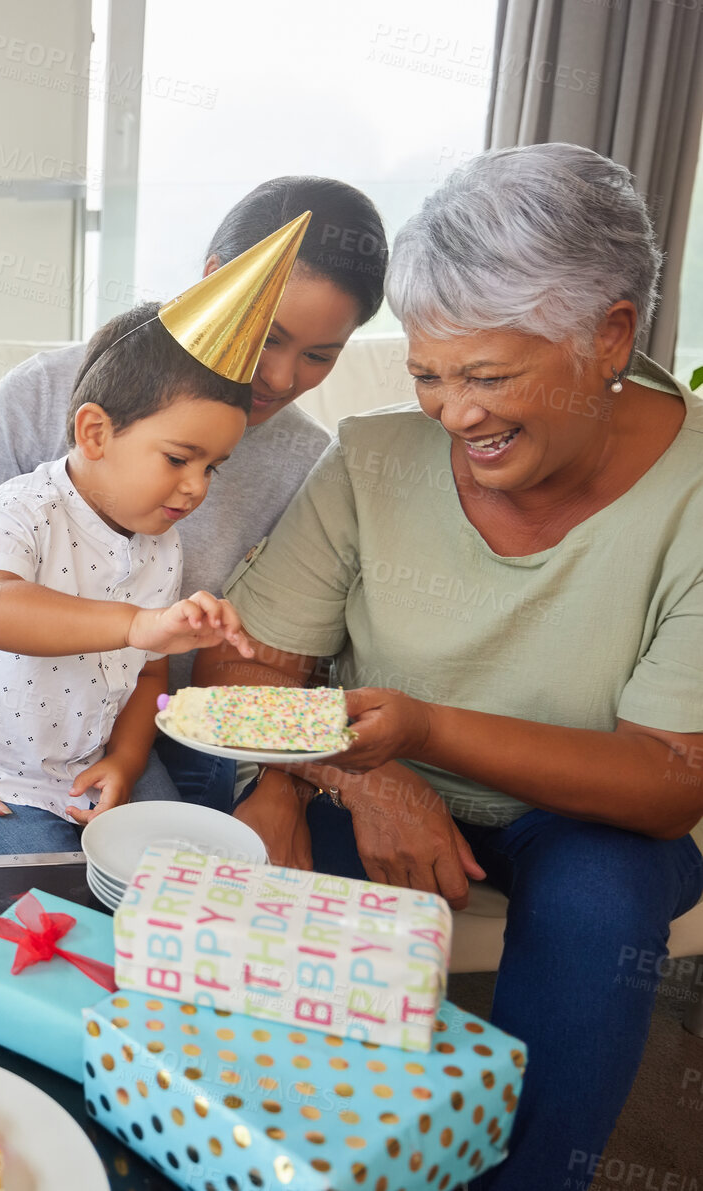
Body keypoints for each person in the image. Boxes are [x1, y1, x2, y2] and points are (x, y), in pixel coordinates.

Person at [193, 143, 703, 1189]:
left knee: (599, 899)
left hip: (586, 819)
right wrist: (362, 773)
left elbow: (666, 782)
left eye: (488, 376)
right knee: (267, 911)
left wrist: (424, 730)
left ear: (610, 334)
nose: (453, 413)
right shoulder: (373, 460)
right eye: (428, 373)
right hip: (378, 778)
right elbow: (244, 674)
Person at [0, 176, 388, 860]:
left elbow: (265, 664)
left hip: (138, 734)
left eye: (319, 356)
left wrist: (269, 783)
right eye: (270, 337)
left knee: (116, 890)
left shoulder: (305, 465)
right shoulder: (43, 401)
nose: (277, 377)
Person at [0, 298, 258, 853]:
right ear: (95, 432)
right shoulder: (24, 506)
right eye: (178, 459)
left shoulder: (163, 547)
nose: (198, 486)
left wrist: (125, 760)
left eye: (211, 467)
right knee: (53, 891)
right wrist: (136, 624)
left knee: (179, 862)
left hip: (91, 764)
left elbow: (148, 677)